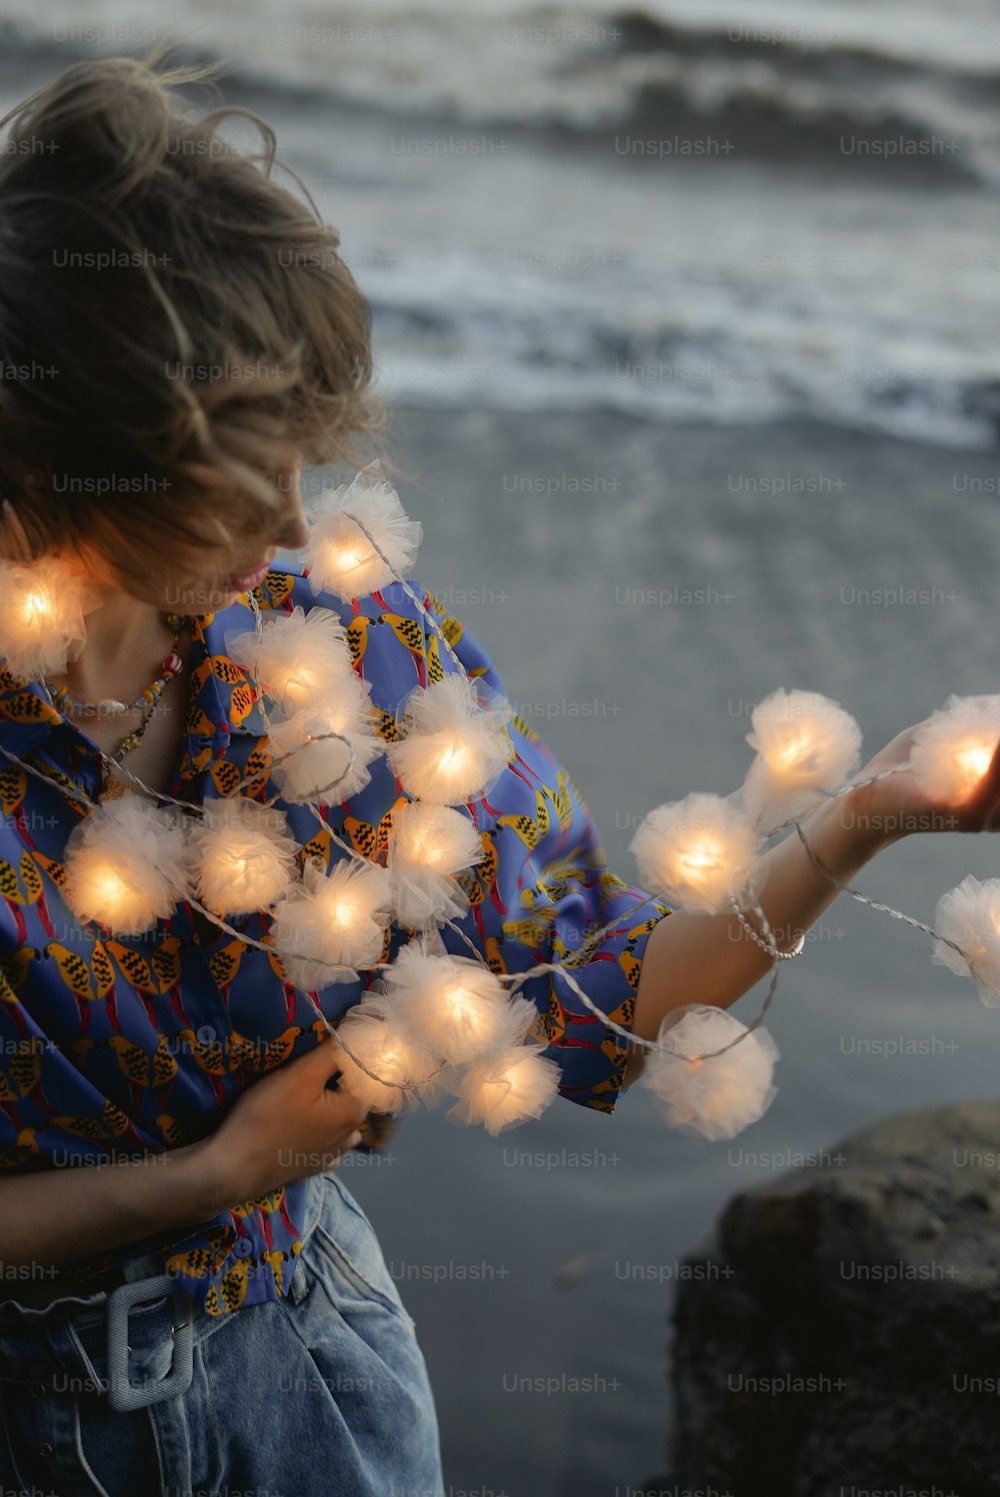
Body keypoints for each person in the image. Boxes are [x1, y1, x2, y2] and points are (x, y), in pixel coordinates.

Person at [1, 45, 1000, 1497]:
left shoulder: (340, 645)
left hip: (308, 1387)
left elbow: (608, 998)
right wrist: (213, 1177)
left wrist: (862, 817)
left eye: (302, 448)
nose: (294, 518)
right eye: (232, 473)